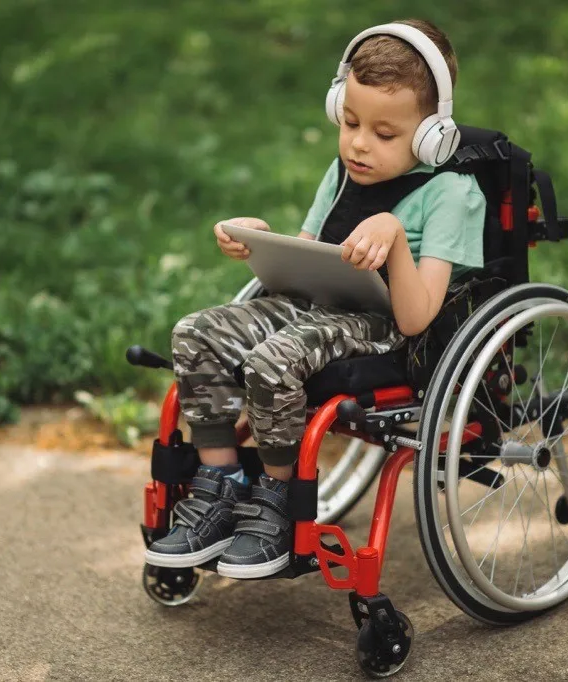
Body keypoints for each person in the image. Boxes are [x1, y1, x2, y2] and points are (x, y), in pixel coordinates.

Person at [144, 18, 485, 579]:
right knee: (194, 333)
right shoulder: (344, 172)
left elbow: (418, 316)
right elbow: (305, 256)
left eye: (384, 133)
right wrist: (258, 241)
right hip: (313, 303)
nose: (358, 143)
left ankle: (277, 498)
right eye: (349, 122)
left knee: (273, 361)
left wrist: (394, 240)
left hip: (382, 326)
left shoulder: (450, 193)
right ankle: (222, 484)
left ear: (430, 135)